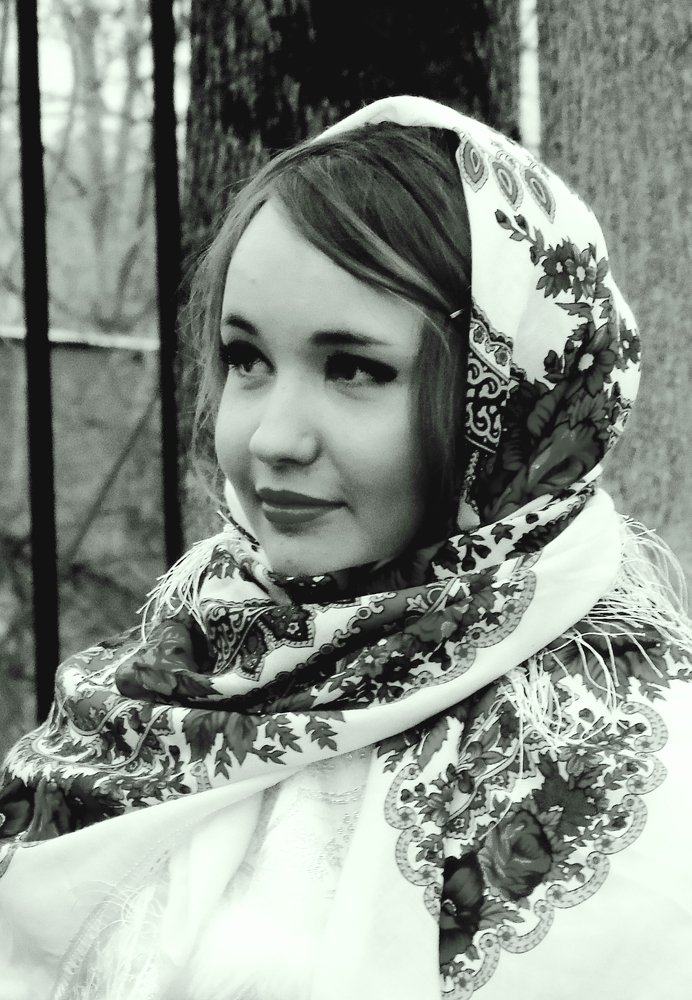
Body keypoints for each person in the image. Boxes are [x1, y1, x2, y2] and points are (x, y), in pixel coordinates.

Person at [0, 95, 691, 1000]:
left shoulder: (636, 773)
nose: (271, 438)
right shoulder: (180, 665)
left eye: (355, 368)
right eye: (246, 358)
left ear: (511, 403)